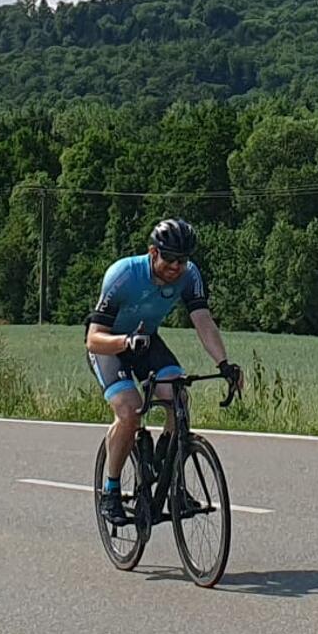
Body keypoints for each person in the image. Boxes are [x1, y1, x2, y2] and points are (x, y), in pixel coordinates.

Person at [86, 217, 242, 525]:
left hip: (147, 342)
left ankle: (170, 474)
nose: (175, 266)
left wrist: (224, 364)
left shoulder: (189, 275)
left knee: (178, 396)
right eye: (169, 258)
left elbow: (203, 321)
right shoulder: (124, 275)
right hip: (112, 344)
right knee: (130, 412)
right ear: (153, 252)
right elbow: (93, 338)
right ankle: (111, 490)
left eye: (181, 260)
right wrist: (125, 341)